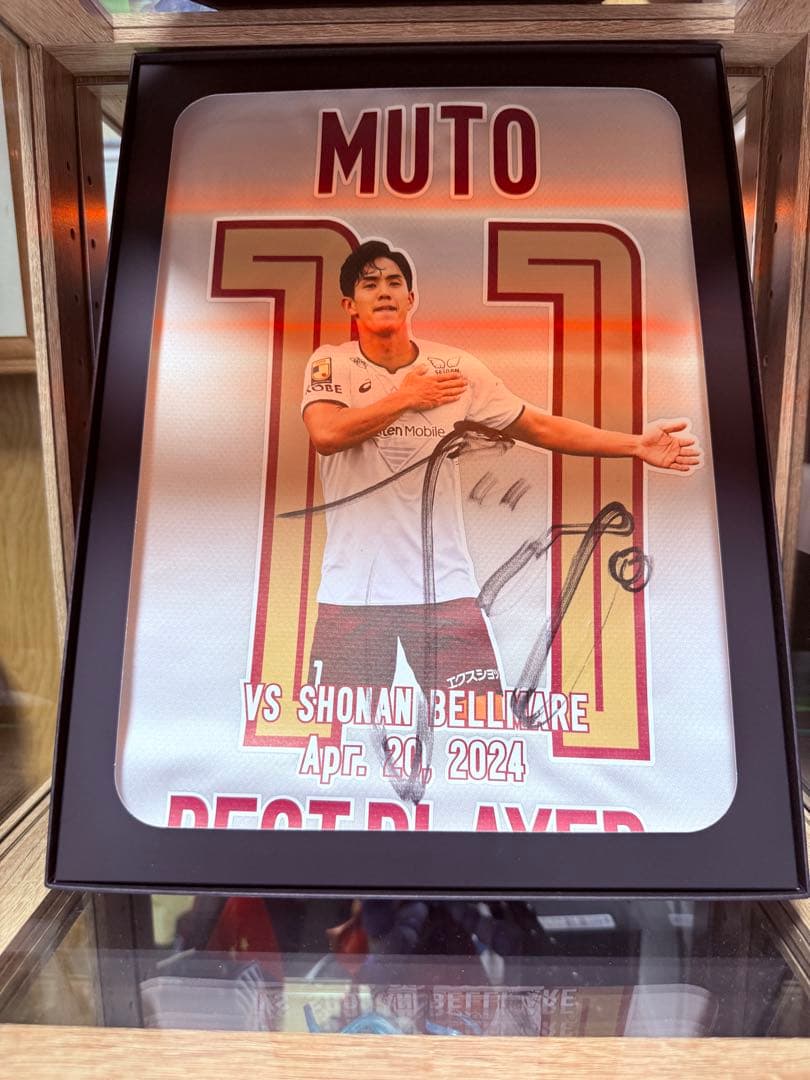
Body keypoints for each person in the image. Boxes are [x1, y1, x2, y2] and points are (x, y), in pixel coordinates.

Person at [300, 239, 700, 702]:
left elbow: (538, 426)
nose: (384, 291)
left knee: (478, 723)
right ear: (350, 304)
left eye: (394, 282)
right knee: (339, 731)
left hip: (444, 590)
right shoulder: (332, 362)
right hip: (354, 594)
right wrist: (406, 397)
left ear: (411, 298)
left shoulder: (455, 368)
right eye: (370, 284)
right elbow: (325, 433)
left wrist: (634, 444)